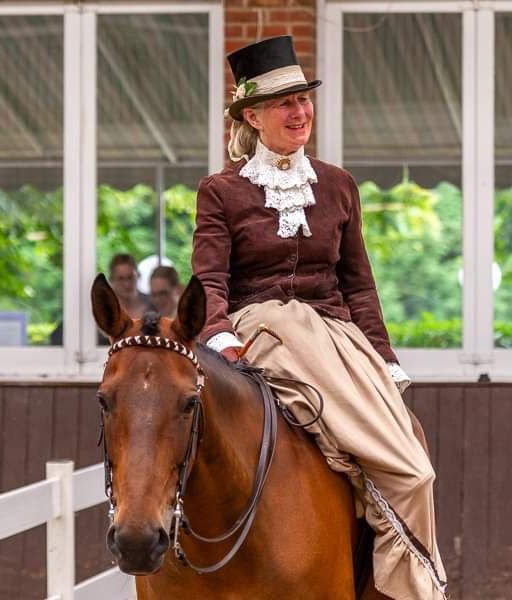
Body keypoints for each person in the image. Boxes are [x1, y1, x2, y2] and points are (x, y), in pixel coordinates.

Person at [191, 36, 447, 599]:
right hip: (259, 329)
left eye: (303, 99)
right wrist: (220, 336)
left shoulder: (337, 185)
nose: (299, 111)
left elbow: (358, 283)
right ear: (252, 116)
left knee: (415, 470)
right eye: (283, 103)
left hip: (337, 338)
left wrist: (384, 358)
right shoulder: (221, 191)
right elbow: (209, 281)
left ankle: (394, 586)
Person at [108, 253, 150, 319]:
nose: (126, 284)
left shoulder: (152, 303)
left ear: (138, 276)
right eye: (120, 279)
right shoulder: (105, 309)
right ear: (111, 280)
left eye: (130, 277)